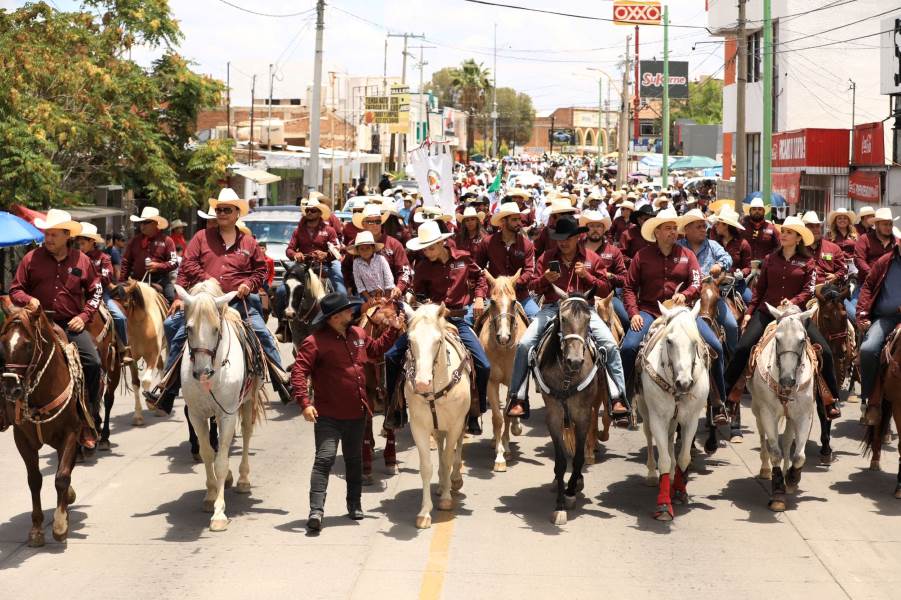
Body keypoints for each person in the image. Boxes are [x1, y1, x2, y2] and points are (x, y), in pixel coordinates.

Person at [144, 188, 292, 412]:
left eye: (226, 210)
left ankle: (281, 380)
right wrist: (210, 283)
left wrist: (248, 285)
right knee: (174, 327)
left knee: (262, 333)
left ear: (236, 214)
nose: (221, 213)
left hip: (236, 301)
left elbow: (261, 271)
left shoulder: (249, 243)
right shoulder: (201, 238)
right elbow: (189, 264)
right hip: (205, 302)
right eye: (219, 209)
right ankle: (167, 389)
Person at [293, 292, 404, 531]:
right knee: (324, 460)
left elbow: (376, 350)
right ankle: (316, 511)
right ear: (334, 317)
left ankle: (354, 505)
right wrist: (304, 402)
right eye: (346, 310)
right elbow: (299, 372)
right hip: (328, 415)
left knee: (354, 461)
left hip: (357, 412)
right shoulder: (314, 341)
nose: (352, 312)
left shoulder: (359, 334)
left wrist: (394, 330)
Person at [506, 216, 626, 420]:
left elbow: (607, 288)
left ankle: (618, 397)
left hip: (584, 309)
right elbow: (532, 286)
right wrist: (544, 279)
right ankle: (517, 397)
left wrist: (587, 277)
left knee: (610, 344)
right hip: (553, 307)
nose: (563, 242)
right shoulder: (547, 257)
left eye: (568, 238)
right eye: (560, 238)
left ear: (578, 237)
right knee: (525, 344)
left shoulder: (591, 258)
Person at [723, 216, 841, 419]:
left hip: (796, 316)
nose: (783, 235)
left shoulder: (808, 262)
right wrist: (750, 313)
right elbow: (759, 291)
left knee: (827, 353)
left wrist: (793, 301)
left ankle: (830, 398)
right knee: (743, 348)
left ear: (798, 238)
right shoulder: (770, 260)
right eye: (783, 231)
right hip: (767, 313)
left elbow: (809, 290)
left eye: (788, 232)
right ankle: (728, 397)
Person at [619, 208, 728, 423]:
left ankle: (718, 402)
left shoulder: (687, 255)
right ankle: (624, 398)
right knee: (629, 347)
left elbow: (697, 283)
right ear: (657, 232)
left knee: (714, 346)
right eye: (667, 228)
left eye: (673, 228)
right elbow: (629, 288)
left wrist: (686, 295)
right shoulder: (641, 256)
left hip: (684, 312)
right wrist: (633, 314)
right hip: (650, 311)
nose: (672, 232)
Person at [384, 220, 492, 435]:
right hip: (431, 320)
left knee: (483, 364)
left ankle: (474, 412)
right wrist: (423, 304)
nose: (427, 251)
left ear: (442, 243)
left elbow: (480, 277)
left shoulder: (463, 258)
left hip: (458, 320)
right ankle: (395, 409)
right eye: (424, 248)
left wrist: (479, 297)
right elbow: (420, 294)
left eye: (431, 247)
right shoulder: (422, 266)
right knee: (391, 355)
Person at [9, 210, 103, 447]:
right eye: (46, 234)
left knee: (93, 363)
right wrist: (28, 300)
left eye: (53, 234)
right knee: (9, 357)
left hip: (70, 325)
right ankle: (5, 411)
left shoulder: (82, 260)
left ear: (66, 235)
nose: (48, 238)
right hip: (37, 325)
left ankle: (88, 419)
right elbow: (15, 289)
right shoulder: (31, 258)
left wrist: (84, 316)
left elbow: (96, 292)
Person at [677, 209, 738, 355]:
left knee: (731, 325)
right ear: (687, 229)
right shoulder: (678, 246)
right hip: (685, 294)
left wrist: (720, 265)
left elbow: (727, 258)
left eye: (704, 226)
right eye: (699, 226)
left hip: (709, 294)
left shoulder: (712, 245)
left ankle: (733, 358)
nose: (704, 229)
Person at [857, 239, 901, 425]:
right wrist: (861, 313)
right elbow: (868, 286)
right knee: (868, 349)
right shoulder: (885, 261)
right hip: (885, 318)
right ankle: (871, 401)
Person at [75, 222, 132, 364]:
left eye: (82, 244)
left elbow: (106, 277)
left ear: (92, 242)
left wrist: (89, 279)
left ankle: (123, 348)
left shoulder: (104, 258)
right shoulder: (75, 258)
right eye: (78, 244)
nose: (80, 248)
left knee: (119, 317)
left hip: (100, 294)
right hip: (78, 294)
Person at [475, 202, 538, 318]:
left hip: (520, 295)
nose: (519, 223)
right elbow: (479, 269)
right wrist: (479, 296)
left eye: (519, 219)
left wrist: (514, 282)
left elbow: (529, 271)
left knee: (537, 318)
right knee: (470, 318)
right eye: (514, 220)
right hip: (493, 296)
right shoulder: (487, 243)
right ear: (503, 222)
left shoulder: (527, 245)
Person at [285, 198, 346, 295]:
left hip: (325, 264)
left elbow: (336, 250)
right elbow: (289, 249)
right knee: (281, 291)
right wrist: (295, 254)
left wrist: (325, 255)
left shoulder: (329, 230)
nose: (309, 213)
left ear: (319, 213)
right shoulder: (298, 231)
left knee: (341, 291)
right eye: (307, 210)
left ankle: (343, 304)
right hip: (303, 265)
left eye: (313, 210)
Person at [580, 209, 629, 329]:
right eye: (591, 226)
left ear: (604, 229)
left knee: (626, 320)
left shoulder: (613, 251)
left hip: (607, 297)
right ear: (586, 229)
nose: (595, 229)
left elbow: (624, 279)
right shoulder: (577, 248)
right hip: (580, 296)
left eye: (599, 226)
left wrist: (610, 276)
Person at [120, 206, 177, 304]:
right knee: (119, 299)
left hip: (160, 280)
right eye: (141, 222)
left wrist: (158, 266)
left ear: (155, 223)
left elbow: (174, 262)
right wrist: (123, 280)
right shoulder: (135, 241)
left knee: (172, 298)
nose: (142, 225)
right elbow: (126, 262)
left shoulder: (167, 241)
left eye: (146, 222)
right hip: (136, 280)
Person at [712, 206, 753, 303]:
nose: (715, 226)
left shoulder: (743, 244)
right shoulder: (714, 243)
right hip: (716, 284)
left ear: (726, 225)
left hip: (737, 284)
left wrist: (742, 273)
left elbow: (748, 267)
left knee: (752, 302)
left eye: (718, 223)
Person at [802, 211, 847, 285]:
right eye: (811, 226)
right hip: (803, 290)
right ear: (804, 229)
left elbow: (844, 268)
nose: (815, 229)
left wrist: (836, 276)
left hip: (826, 290)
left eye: (817, 226)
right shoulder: (797, 248)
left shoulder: (833, 248)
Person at [349, 231, 394, 302]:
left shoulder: (380, 259)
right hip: (368, 296)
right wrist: (369, 298)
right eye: (362, 249)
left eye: (368, 248)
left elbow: (388, 277)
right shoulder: (356, 263)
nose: (365, 251)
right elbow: (359, 283)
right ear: (358, 251)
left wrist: (386, 297)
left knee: (401, 308)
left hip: (386, 293)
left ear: (373, 249)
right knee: (357, 309)